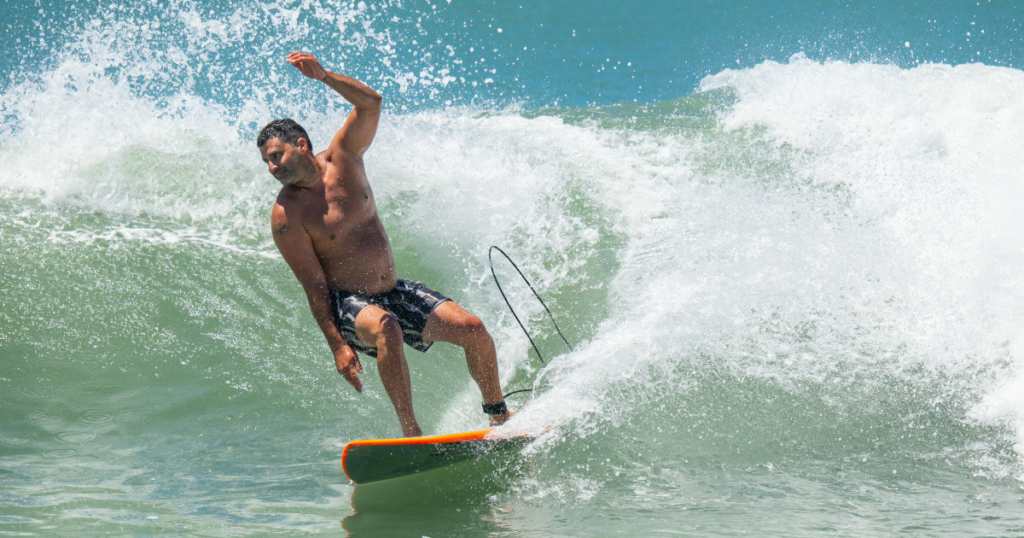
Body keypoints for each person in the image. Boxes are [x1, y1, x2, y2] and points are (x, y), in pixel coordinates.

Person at [257, 52, 511, 437]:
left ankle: (499, 417)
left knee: (474, 329)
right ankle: (412, 433)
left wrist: (323, 75)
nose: (273, 167)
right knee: (387, 326)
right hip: (348, 304)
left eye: (277, 156)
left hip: (390, 289)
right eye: (267, 163)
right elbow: (313, 285)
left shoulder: (344, 157)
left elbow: (371, 103)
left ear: (302, 145)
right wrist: (337, 347)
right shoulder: (286, 216)